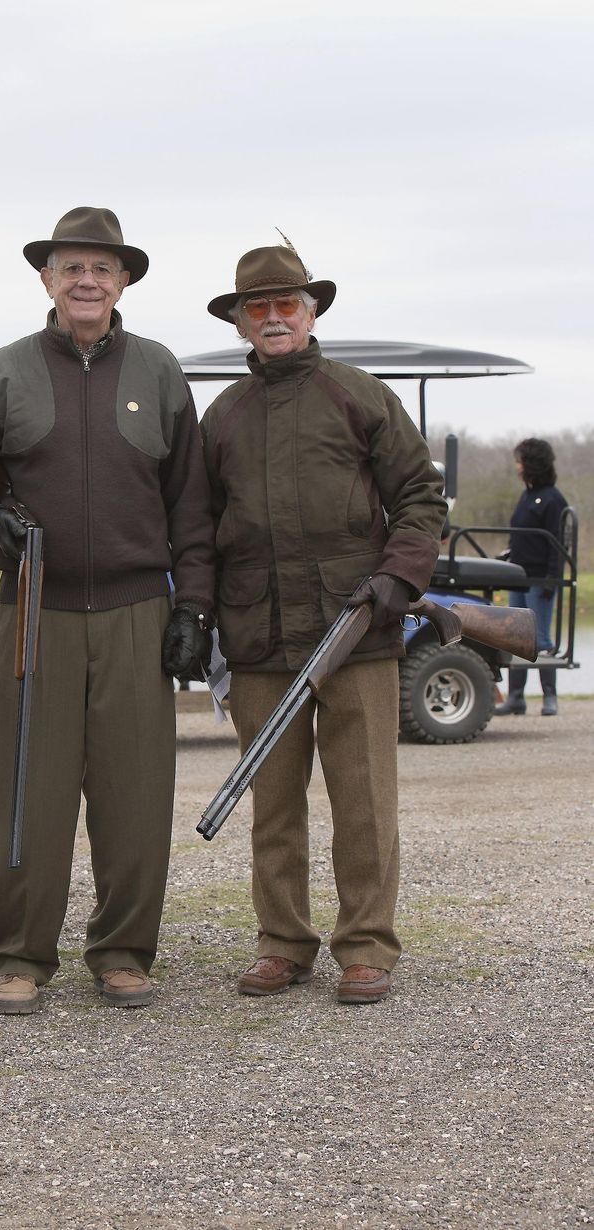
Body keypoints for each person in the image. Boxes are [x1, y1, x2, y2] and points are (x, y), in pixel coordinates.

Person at [0, 206, 215, 1015]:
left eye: (102, 268)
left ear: (124, 281)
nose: (87, 281)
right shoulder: (3, 372)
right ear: (46, 279)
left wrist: (192, 604)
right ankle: (19, 955)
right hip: (35, 610)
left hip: (136, 610)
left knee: (135, 794)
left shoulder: (159, 372)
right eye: (71, 267)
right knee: (28, 791)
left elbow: (191, 504)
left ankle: (123, 951)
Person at [200, 237, 447, 1005]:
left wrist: (394, 581)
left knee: (364, 801)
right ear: (241, 323)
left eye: (286, 305)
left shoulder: (362, 396)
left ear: (310, 313)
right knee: (272, 804)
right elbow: (199, 528)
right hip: (258, 636)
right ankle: (283, 944)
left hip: (357, 632)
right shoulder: (222, 416)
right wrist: (196, 615)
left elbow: (420, 502)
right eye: (258, 308)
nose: (273, 318)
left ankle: (366, 947)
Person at [495, 437, 568, 718]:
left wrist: (552, 578)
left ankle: (550, 697)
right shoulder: (527, 495)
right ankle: (516, 698)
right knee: (516, 637)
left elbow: (558, 544)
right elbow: (523, 535)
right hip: (519, 576)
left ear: (531, 464)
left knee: (539, 638)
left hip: (540, 579)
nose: (517, 467)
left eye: (520, 461)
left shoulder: (553, 498)